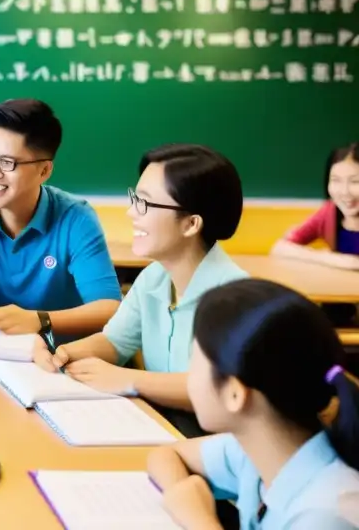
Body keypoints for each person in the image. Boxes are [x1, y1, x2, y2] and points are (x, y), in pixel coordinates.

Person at [32, 144, 247, 436]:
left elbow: (215, 388)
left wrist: (126, 379)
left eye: (144, 203)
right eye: (135, 198)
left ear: (191, 224)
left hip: (213, 441)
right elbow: (115, 342)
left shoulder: (236, 297)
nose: (131, 212)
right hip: (161, 423)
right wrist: (62, 353)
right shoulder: (155, 277)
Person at [147, 278, 359, 530]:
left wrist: (200, 521)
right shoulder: (257, 450)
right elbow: (167, 453)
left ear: (236, 394)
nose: (188, 377)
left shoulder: (326, 515)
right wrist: (182, 491)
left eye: (194, 361)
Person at [0, 99, 121, 338]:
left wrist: (40, 320)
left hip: (65, 357)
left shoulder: (76, 218)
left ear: (44, 171)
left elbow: (110, 308)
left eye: (7, 163)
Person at [273, 143, 359, 271]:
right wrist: (329, 258)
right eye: (335, 180)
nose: (344, 192)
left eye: (355, 181)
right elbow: (280, 248)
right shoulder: (329, 212)